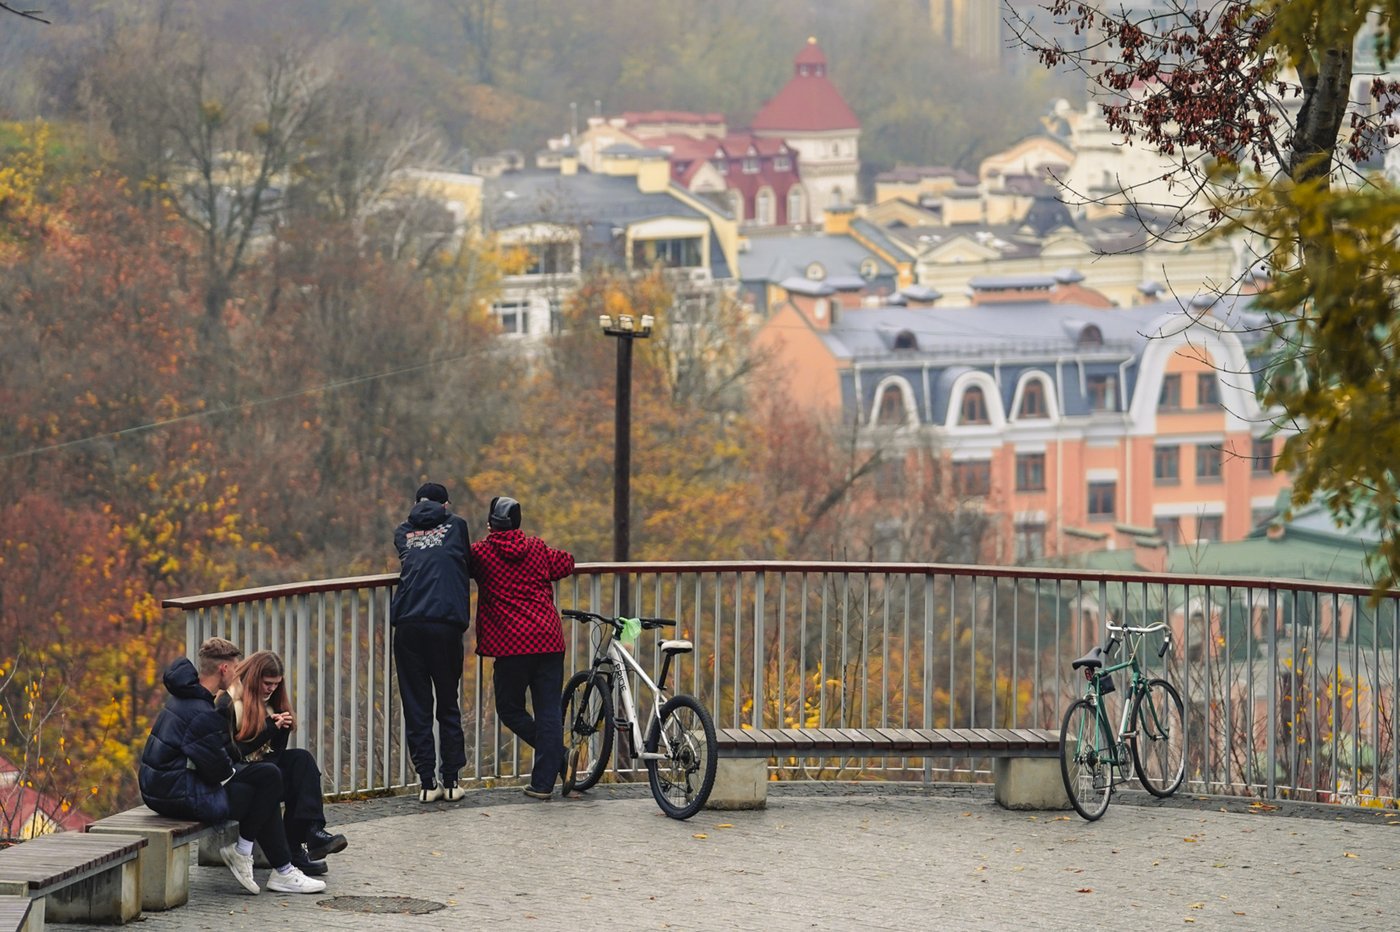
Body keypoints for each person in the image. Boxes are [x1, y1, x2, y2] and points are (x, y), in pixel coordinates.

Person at [139, 637, 325, 895]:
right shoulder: (203, 711)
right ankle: (267, 862)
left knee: (266, 779)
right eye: (236, 669)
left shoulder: (187, 698)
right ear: (224, 669)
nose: (238, 676)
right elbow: (219, 771)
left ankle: (274, 865)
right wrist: (246, 769)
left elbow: (219, 760)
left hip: (163, 788)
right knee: (265, 785)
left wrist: (261, 745)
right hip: (177, 794)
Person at [469, 496, 575, 800]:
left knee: (510, 709)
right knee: (548, 711)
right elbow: (566, 562)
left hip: (511, 645)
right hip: (548, 639)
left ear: (490, 524)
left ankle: (560, 757)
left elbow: (458, 565)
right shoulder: (537, 548)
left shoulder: (481, 554)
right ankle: (544, 782)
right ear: (518, 523)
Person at [217, 650, 348, 876]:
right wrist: (268, 729)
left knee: (302, 762)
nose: (271, 689)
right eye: (267, 683)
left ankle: (313, 832)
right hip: (239, 778)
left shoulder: (272, 703)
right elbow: (228, 755)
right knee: (274, 774)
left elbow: (274, 756)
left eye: (276, 684)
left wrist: (280, 731)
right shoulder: (229, 702)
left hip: (264, 770)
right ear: (254, 678)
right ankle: (293, 851)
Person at [391, 481, 472, 802]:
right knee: (447, 703)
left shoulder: (402, 531)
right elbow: (466, 560)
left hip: (408, 624)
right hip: (444, 623)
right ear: (446, 505)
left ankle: (427, 783)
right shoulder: (457, 526)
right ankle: (451, 781)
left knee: (417, 706)